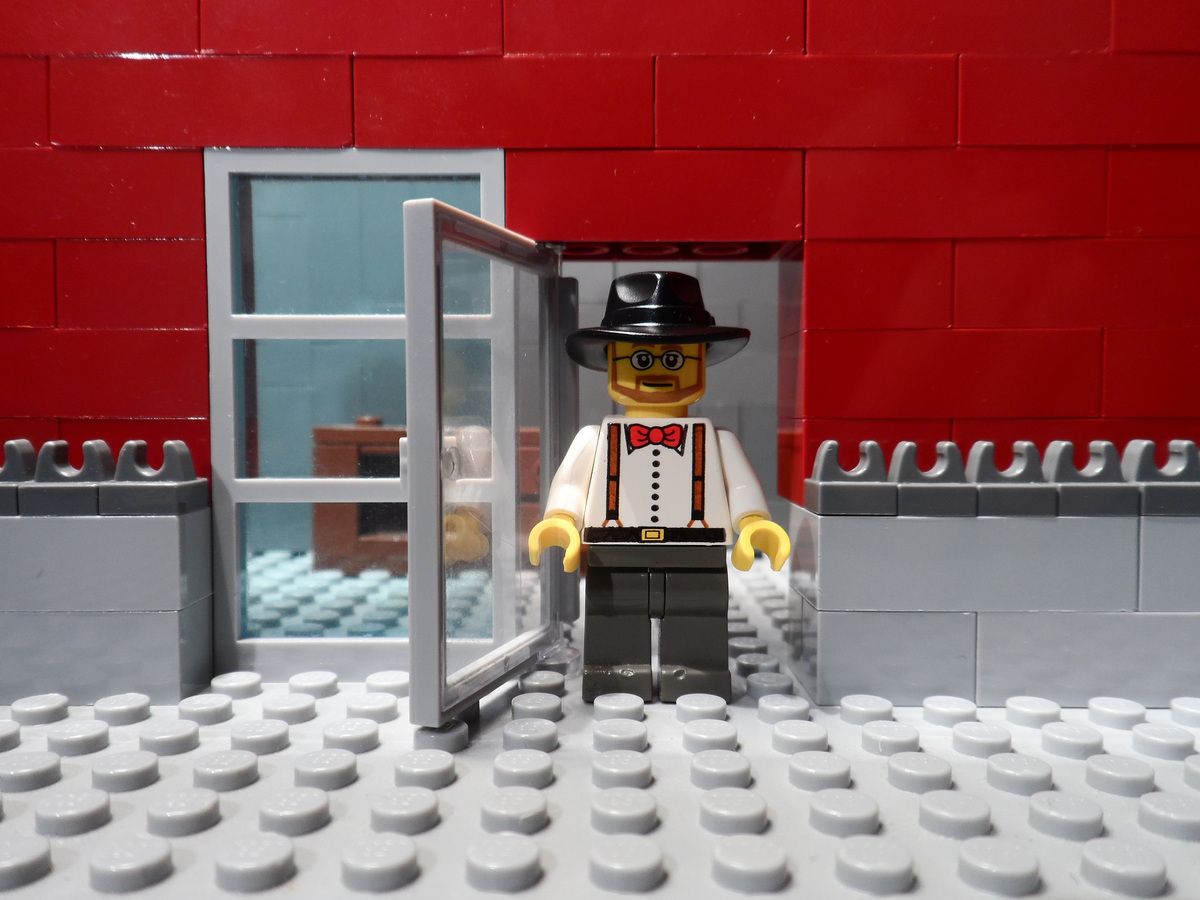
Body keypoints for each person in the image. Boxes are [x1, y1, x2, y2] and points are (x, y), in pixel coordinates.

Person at [529, 271, 790, 701]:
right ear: (612, 363)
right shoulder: (595, 439)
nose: (655, 371)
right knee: (613, 613)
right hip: (615, 549)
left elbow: (741, 489)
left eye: (673, 359)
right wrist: (559, 519)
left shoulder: (717, 441)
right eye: (639, 359)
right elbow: (572, 485)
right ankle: (615, 673)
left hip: (697, 548)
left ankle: (698, 673)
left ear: (699, 363)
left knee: (699, 612)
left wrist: (755, 524)